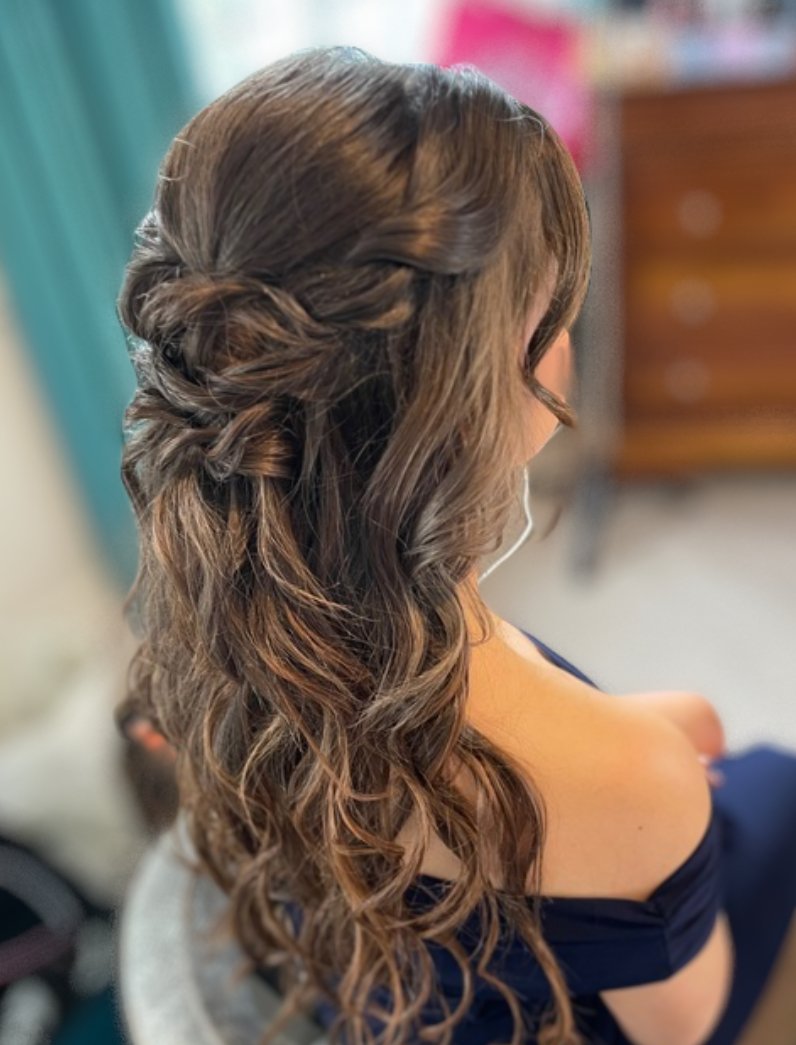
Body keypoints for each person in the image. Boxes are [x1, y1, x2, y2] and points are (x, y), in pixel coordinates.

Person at [115, 45, 796, 1045]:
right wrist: (653, 760)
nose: (566, 348)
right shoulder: (622, 780)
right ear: (485, 398)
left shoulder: (199, 641)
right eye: (551, 316)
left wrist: (644, 744)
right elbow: (682, 1024)